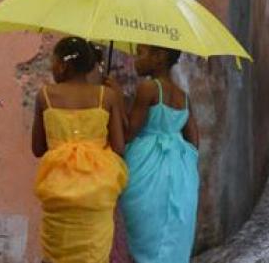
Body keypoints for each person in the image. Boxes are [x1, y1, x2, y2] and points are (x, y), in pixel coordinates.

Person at [32, 36, 128, 263]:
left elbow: (37, 148)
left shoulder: (45, 95)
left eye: (52, 62)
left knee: (58, 256)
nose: (51, 68)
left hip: (58, 191)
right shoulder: (107, 96)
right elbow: (120, 148)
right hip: (97, 195)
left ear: (63, 65)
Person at [118, 45, 199, 263]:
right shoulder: (183, 96)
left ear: (159, 58)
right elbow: (194, 141)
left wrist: (116, 99)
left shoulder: (148, 88)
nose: (136, 59)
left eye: (141, 53)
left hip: (146, 166)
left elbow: (129, 132)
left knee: (147, 236)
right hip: (180, 170)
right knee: (172, 232)